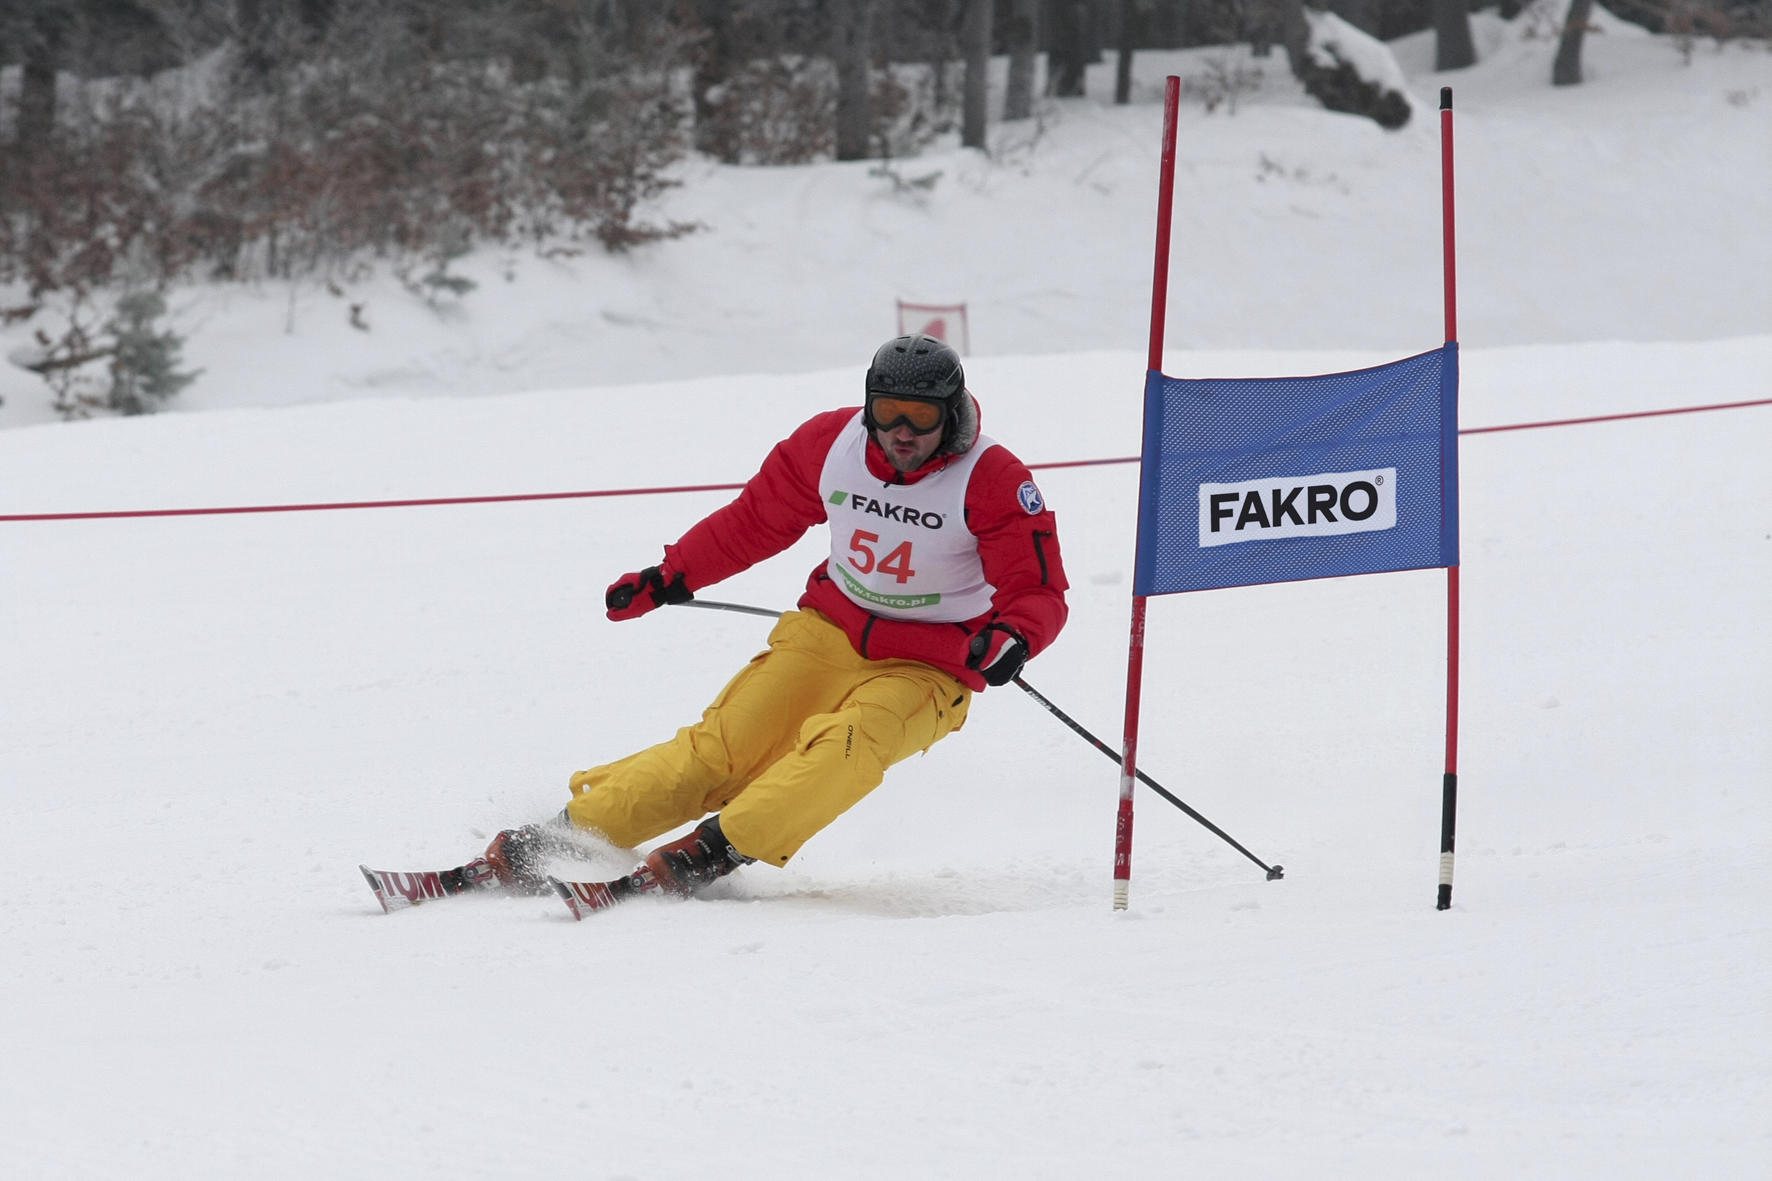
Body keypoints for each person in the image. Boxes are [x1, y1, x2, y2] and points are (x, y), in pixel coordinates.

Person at [482, 333, 1069, 898]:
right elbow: (755, 521)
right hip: (828, 633)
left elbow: (1038, 588)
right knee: (723, 749)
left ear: (952, 411)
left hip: (930, 664)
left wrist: (1012, 637)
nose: (901, 432)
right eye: (888, 412)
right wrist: (671, 577)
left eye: (920, 416)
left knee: (846, 743)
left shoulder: (993, 478)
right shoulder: (830, 444)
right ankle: (572, 832)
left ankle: (716, 848)